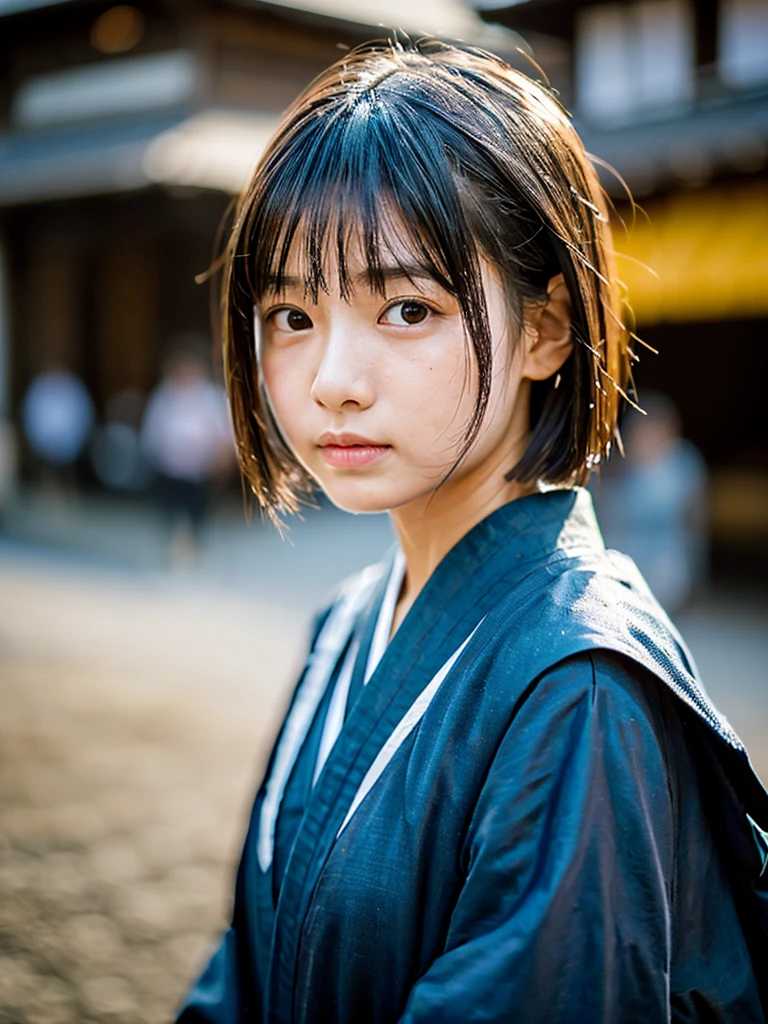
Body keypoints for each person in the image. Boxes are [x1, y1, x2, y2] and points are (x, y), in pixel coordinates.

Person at [177, 39, 768, 1023]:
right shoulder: (346, 622)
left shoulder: (580, 692)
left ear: (546, 329)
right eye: (290, 313)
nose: (332, 378)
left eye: (406, 307)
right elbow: (244, 963)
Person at [594, 392, 708, 615]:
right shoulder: (617, 465)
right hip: (619, 558)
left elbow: (694, 521)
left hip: (663, 562)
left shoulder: (683, 464)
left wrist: (698, 574)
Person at [140, 347, 233, 560]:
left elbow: (223, 432)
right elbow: (153, 430)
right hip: (170, 467)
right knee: (169, 510)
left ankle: (196, 548)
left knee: (198, 512)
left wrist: (221, 458)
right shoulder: (165, 396)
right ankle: (170, 549)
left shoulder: (211, 397)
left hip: (200, 468)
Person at [21, 362, 94, 489]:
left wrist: (70, 443)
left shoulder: (73, 389)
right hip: (43, 447)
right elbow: (30, 417)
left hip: (69, 448)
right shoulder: (39, 388)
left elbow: (84, 417)